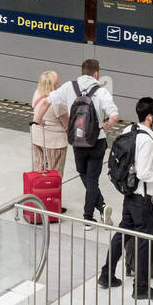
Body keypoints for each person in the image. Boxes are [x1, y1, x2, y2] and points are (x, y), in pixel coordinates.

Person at [97, 97, 153, 300]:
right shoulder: (146, 140)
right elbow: (144, 173)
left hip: (129, 196)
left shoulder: (128, 131)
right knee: (144, 241)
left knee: (122, 233)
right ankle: (142, 288)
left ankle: (106, 275)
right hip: (143, 200)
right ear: (149, 117)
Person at [43, 59, 120, 227]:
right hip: (97, 141)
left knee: (83, 174)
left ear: (82, 71)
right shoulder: (101, 91)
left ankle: (98, 209)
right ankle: (91, 214)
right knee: (92, 180)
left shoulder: (70, 87)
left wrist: (37, 119)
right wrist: (106, 126)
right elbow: (114, 116)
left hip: (78, 141)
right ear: (96, 73)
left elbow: (46, 101)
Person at [30, 70, 68, 177]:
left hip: (38, 138)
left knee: (39, 170)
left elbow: (34, 107)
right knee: (55, 174)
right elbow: (66, 124)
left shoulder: (37, 93)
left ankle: (38, 192)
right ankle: (52, 193)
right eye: (58, 82)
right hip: (54, 143)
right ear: (54, 85)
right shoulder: (57, 101)